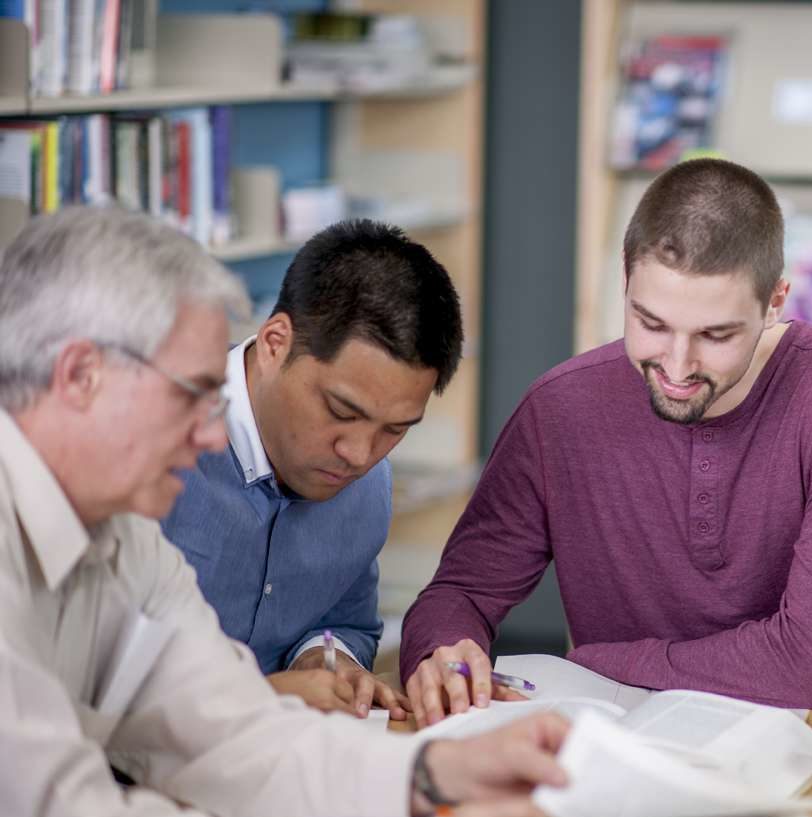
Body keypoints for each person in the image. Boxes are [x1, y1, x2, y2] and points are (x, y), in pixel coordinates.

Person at [0, 207, 567, 817]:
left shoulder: (126, 539)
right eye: (192, 394)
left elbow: (231, 730)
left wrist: (432, 776)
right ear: (80, 375)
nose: (214, 435)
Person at [400, 158, 812, 722]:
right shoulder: (561, 407)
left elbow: (810, 669)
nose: (678, 365)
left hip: (794, 746)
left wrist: (602, 663)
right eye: (652, 323)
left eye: (715, 335)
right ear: (625, 278)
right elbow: (459, 593)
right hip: (613, 745)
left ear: (775, 302)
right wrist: (443, 650)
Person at [160, 219, 463, 720]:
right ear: (276, 341)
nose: (360, 454)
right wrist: (264, 697)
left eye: (396, 429)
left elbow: (344, 621)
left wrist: (327, 659)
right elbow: (89, 680)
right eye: (342, 412)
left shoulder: (367, 487)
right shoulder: (151, 449)